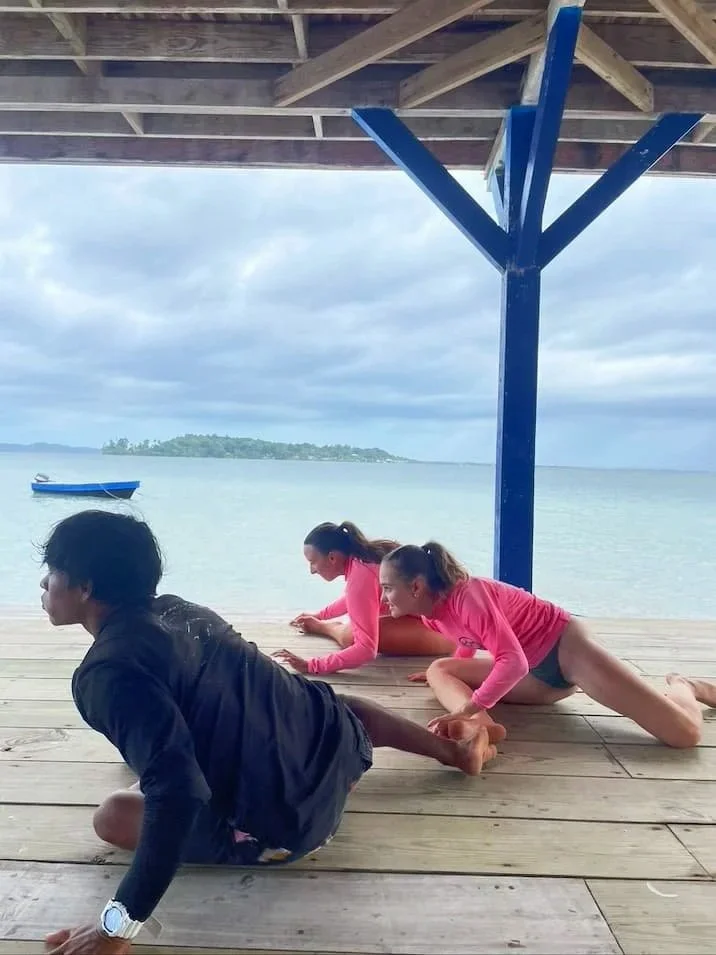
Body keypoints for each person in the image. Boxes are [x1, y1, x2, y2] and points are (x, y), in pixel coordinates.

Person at [39, 511, 501, 955]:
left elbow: (177, 795)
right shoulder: (182, 611)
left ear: (85, 587)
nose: (43, 583)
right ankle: (454, 750)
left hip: (290, 827)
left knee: (113, 814)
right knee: (334, 706)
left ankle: (260, 836)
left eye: (52, 571)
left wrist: (116, 926)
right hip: (340, 758)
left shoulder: (106, 674)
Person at [379, 541, 716, 749]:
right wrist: (459, 668)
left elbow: (512, 663)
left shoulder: (468, 597)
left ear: (417, 586)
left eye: (388, 587)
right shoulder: (431, 614)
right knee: (439, 668)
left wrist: (467, 705)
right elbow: (466, 640)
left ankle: (685, 686)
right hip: (535, 676)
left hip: (566, 651)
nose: (383, 596)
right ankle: (482, 726)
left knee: (683, 735)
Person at [274, 520, 453, 676]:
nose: (312, 570)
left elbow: (366, 650)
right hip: (431, 622)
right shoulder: (363, 559)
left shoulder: (361, 574)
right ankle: (325, 626)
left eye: (313, 562)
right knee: (360, 628)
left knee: (351, 637)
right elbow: (356, 599)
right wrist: (320, 614)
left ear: (332, 557)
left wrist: (313, 665)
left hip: (448, 634)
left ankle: (327, 629)